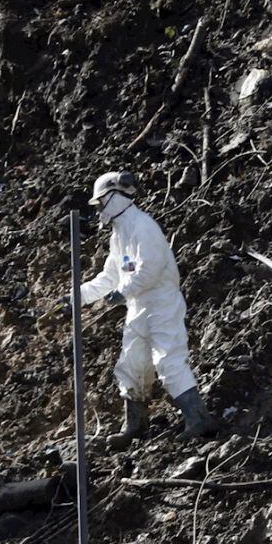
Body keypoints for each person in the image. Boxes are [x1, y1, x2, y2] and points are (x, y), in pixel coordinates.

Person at [64, 172, 217, 451]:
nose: (99, 209)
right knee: (132, 365)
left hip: (161, 303)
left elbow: (151, 268)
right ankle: (135, 426)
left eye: (101, 203)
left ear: (115, 197)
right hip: (138, 307)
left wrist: (124, 291)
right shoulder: (119, 234)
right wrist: (77, 297)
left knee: (168, 361)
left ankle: (199, 419)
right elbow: (110, 276)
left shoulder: (143, 227)